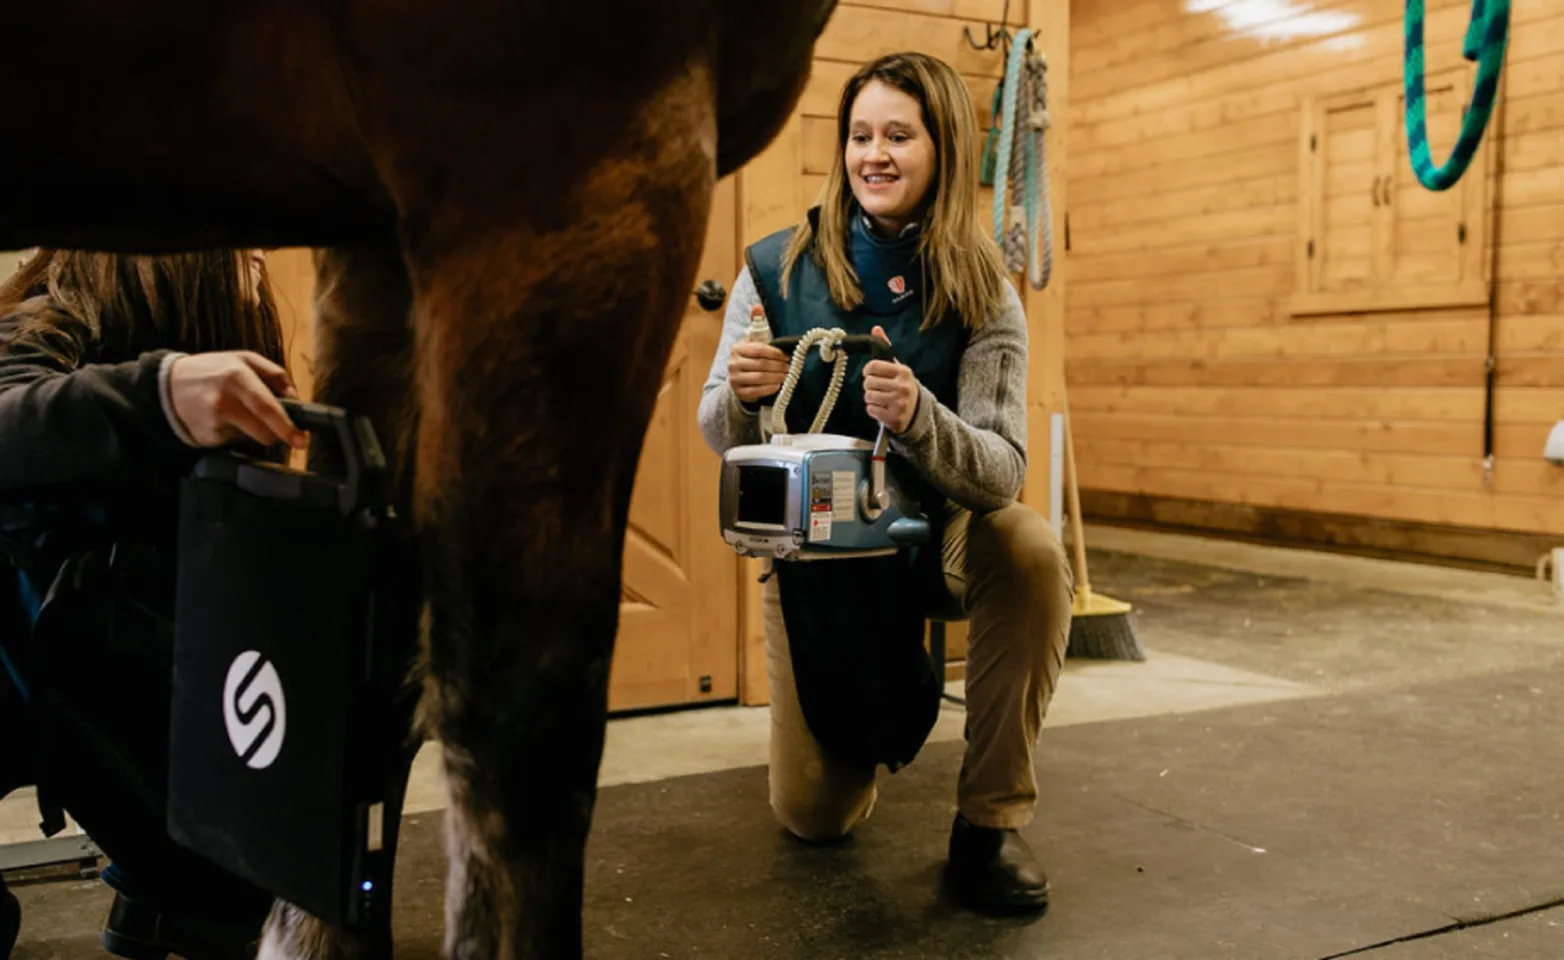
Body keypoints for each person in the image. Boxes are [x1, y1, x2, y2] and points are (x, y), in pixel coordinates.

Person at [697, 51, 1075, 916]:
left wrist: (919, 417)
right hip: (818, 555)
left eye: (899, 136)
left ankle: (989, 821)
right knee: (814, 819)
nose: (875, 154)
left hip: (932, 538)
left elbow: (1004, 472)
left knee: (1028, 547)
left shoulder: (986, 289)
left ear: (941, 149)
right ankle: (871, 718)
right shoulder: (772, 269)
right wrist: (746, 399)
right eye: (860, 135)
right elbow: (717, 430)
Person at [0, 247, 307, 959]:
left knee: (232, 900)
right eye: (244, 242)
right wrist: (160, 394)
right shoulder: (47, 324)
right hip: (34, 672)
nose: (260, 256)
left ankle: (161, 881)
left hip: (110, 685)